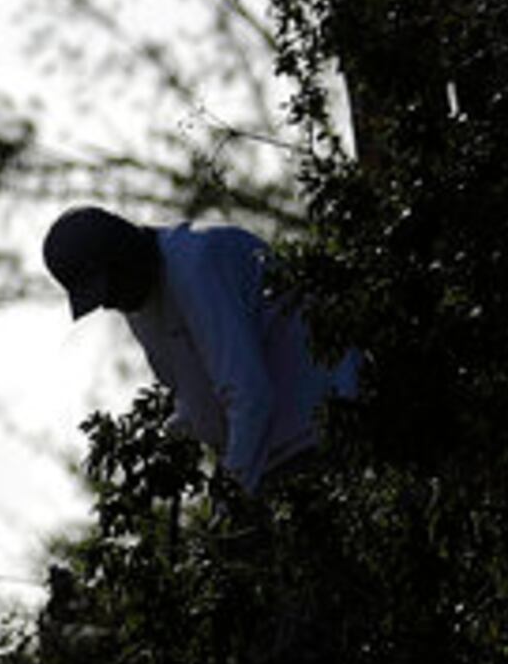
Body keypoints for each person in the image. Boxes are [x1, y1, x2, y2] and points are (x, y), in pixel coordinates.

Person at [41, 206, 358, 491]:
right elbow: (194, 393)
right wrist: (173, 439)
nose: (109, 304)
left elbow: (249, 393)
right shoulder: (139, 306)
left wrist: (231, 496)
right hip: (275, 458)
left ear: (125, 258)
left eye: (109, 289)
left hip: (326, 432)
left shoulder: (195, 262)